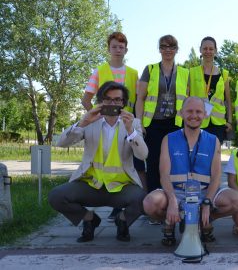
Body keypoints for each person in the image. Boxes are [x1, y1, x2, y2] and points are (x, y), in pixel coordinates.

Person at [48, 81, 148, 242]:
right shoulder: (90, 122)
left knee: (146, 201)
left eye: (117, 100)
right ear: (101, 101)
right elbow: (61, 143)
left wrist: (131, 131)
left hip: (120, 187)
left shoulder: (133, 123)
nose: (112, 103)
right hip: (91, 185)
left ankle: (122, 220)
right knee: (56, 196)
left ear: (123, 103)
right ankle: (89, 219)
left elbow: (143, 155)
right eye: (107, 99)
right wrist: (82, 123)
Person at [142, 96, 238, 246]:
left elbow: (216, 176)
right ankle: (170, 220)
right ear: (181, 113)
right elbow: (164, 174)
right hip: (176, 192)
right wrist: (171, 201)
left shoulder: (213, 140)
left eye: (198, 111)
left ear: (205, 114)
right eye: (189, 111)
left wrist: (208, 202)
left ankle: (205, 220)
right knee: (150, 203)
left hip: (203, 192)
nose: (194, 116)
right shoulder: (169, 139)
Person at [80, 32, 145, 220]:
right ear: (108, 48)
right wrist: (96, 117)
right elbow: (86, 99)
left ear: (126, 50)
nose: (118, 50)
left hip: (127, 126)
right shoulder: (99, 71)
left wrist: (137, 123)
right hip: (105, 126)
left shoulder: (133, 74)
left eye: (121, 47)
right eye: (114, 46)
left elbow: (139, 100)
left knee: (130, 162)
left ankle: (124, 204)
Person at [135, 35, 189, 194]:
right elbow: (141, 98)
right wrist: (139, 124)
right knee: (153, 163)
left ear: (176, 50)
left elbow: (187, 100)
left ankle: (174, 200)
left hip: (175, 124)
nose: (168, 50)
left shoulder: (184, 73)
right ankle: (154, 201)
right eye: (164, 47)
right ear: (159, 49)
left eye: (171, 47)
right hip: (153, 124)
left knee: (175, 163)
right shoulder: (150, 69)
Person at [189, 36, 233, 144]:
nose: (208, 51)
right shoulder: (191, 72)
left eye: (211, 49)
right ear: (200, 50)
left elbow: (228, 100)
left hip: (218, 123)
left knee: (215, 156)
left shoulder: (224, 74)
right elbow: (187, 98)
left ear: (215, 51)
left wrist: (230, 121)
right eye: (205, 48)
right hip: (197, 121)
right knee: (197, 156)